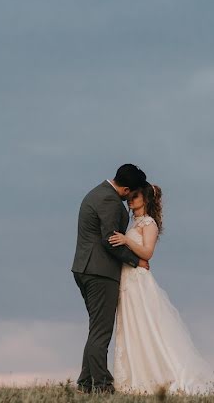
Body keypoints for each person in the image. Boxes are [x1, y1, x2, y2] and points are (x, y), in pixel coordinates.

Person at [109, 183, 214, 395]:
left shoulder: (148, 223)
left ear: (145, 199)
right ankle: (134, 375)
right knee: (132, 326)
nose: (131, 200)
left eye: (135, 196)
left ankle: (157, 375)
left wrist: (125, 240)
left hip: (139, 282)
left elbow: (148, 252)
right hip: (127, 280)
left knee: (146, 326)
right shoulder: (133, 223)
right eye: (130, 196)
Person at [71, 163, 150, 393]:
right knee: (101, 332)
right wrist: (137, 261)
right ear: (125, 189)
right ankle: (103, 386)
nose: (129, 200)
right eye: (131, 194)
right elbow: (110, 240)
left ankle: (85, 384)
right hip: (100, 272)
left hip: (86, 269)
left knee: (96, 329)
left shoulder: (97, 192)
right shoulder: (110, 200)